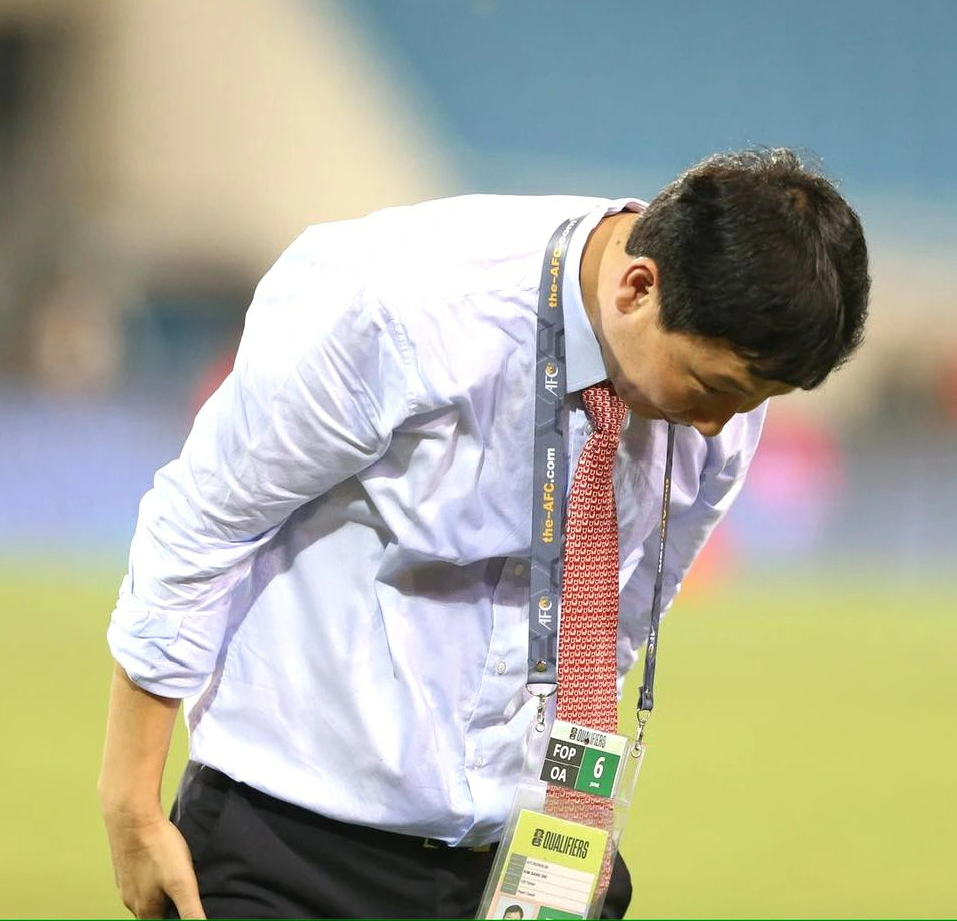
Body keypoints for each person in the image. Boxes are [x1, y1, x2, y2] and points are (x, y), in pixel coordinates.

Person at [98, 149, 870, 919]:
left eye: (754, 402)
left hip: (523, 864)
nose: (715, 426)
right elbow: (204, 521)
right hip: (290, 849)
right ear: (639, 288)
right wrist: (131, 802)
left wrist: (568, 831)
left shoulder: (722, 370)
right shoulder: (400, 306)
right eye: (713, 391)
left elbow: (617, 619)